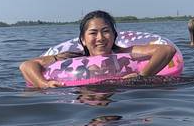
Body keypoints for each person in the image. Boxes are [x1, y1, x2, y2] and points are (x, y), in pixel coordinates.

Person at [20, 10, 176, 88]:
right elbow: (26, 65)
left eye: (106, 31)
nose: (100, 38)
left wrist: (142, 76)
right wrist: (44, 84)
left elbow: (167, 50)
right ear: (83, 39)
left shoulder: (126, 52)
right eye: (93, 33)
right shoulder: (70, 58)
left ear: (114, 36)